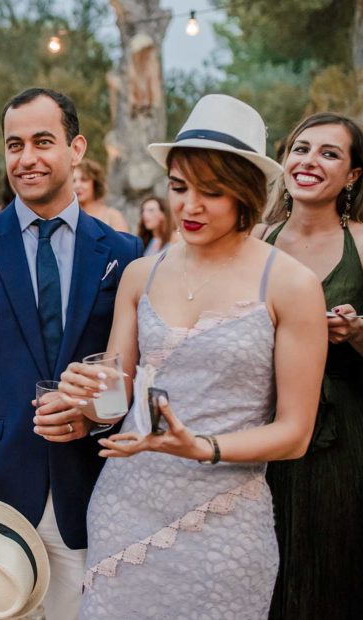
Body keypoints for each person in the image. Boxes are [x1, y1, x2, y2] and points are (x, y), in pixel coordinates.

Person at [60, 94, 327, 619]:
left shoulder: (292, 285)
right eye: (179, 188)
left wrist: (200, 446)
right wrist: (84, 397)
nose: (189, 206)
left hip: (224, 521)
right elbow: (115, 402)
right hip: (124, 510)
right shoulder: (143, 273)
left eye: (212, 192)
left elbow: (295, 434)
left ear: (246, 195)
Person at [0, 88, 142, 620]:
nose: (26, 158)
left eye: (43, 142)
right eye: (14, 144)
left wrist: (95, 419)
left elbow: (130, 373)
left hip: (91, 493)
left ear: (76, 148)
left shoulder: (122, 252)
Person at [254, 112, 363, 619]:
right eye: (301, 148)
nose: (309, 161)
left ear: (353, 176)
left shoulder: (362, 243)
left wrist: (359, 334)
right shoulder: (257, 241)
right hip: (266, 432)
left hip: (348, 438)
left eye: (329, 153)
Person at [73, 159, 129, 233]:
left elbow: (124, 244)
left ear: (95, 183)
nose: (77, 185)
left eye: (84, 180)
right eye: (73, 181)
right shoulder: (67, 217)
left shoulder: (113, 216)